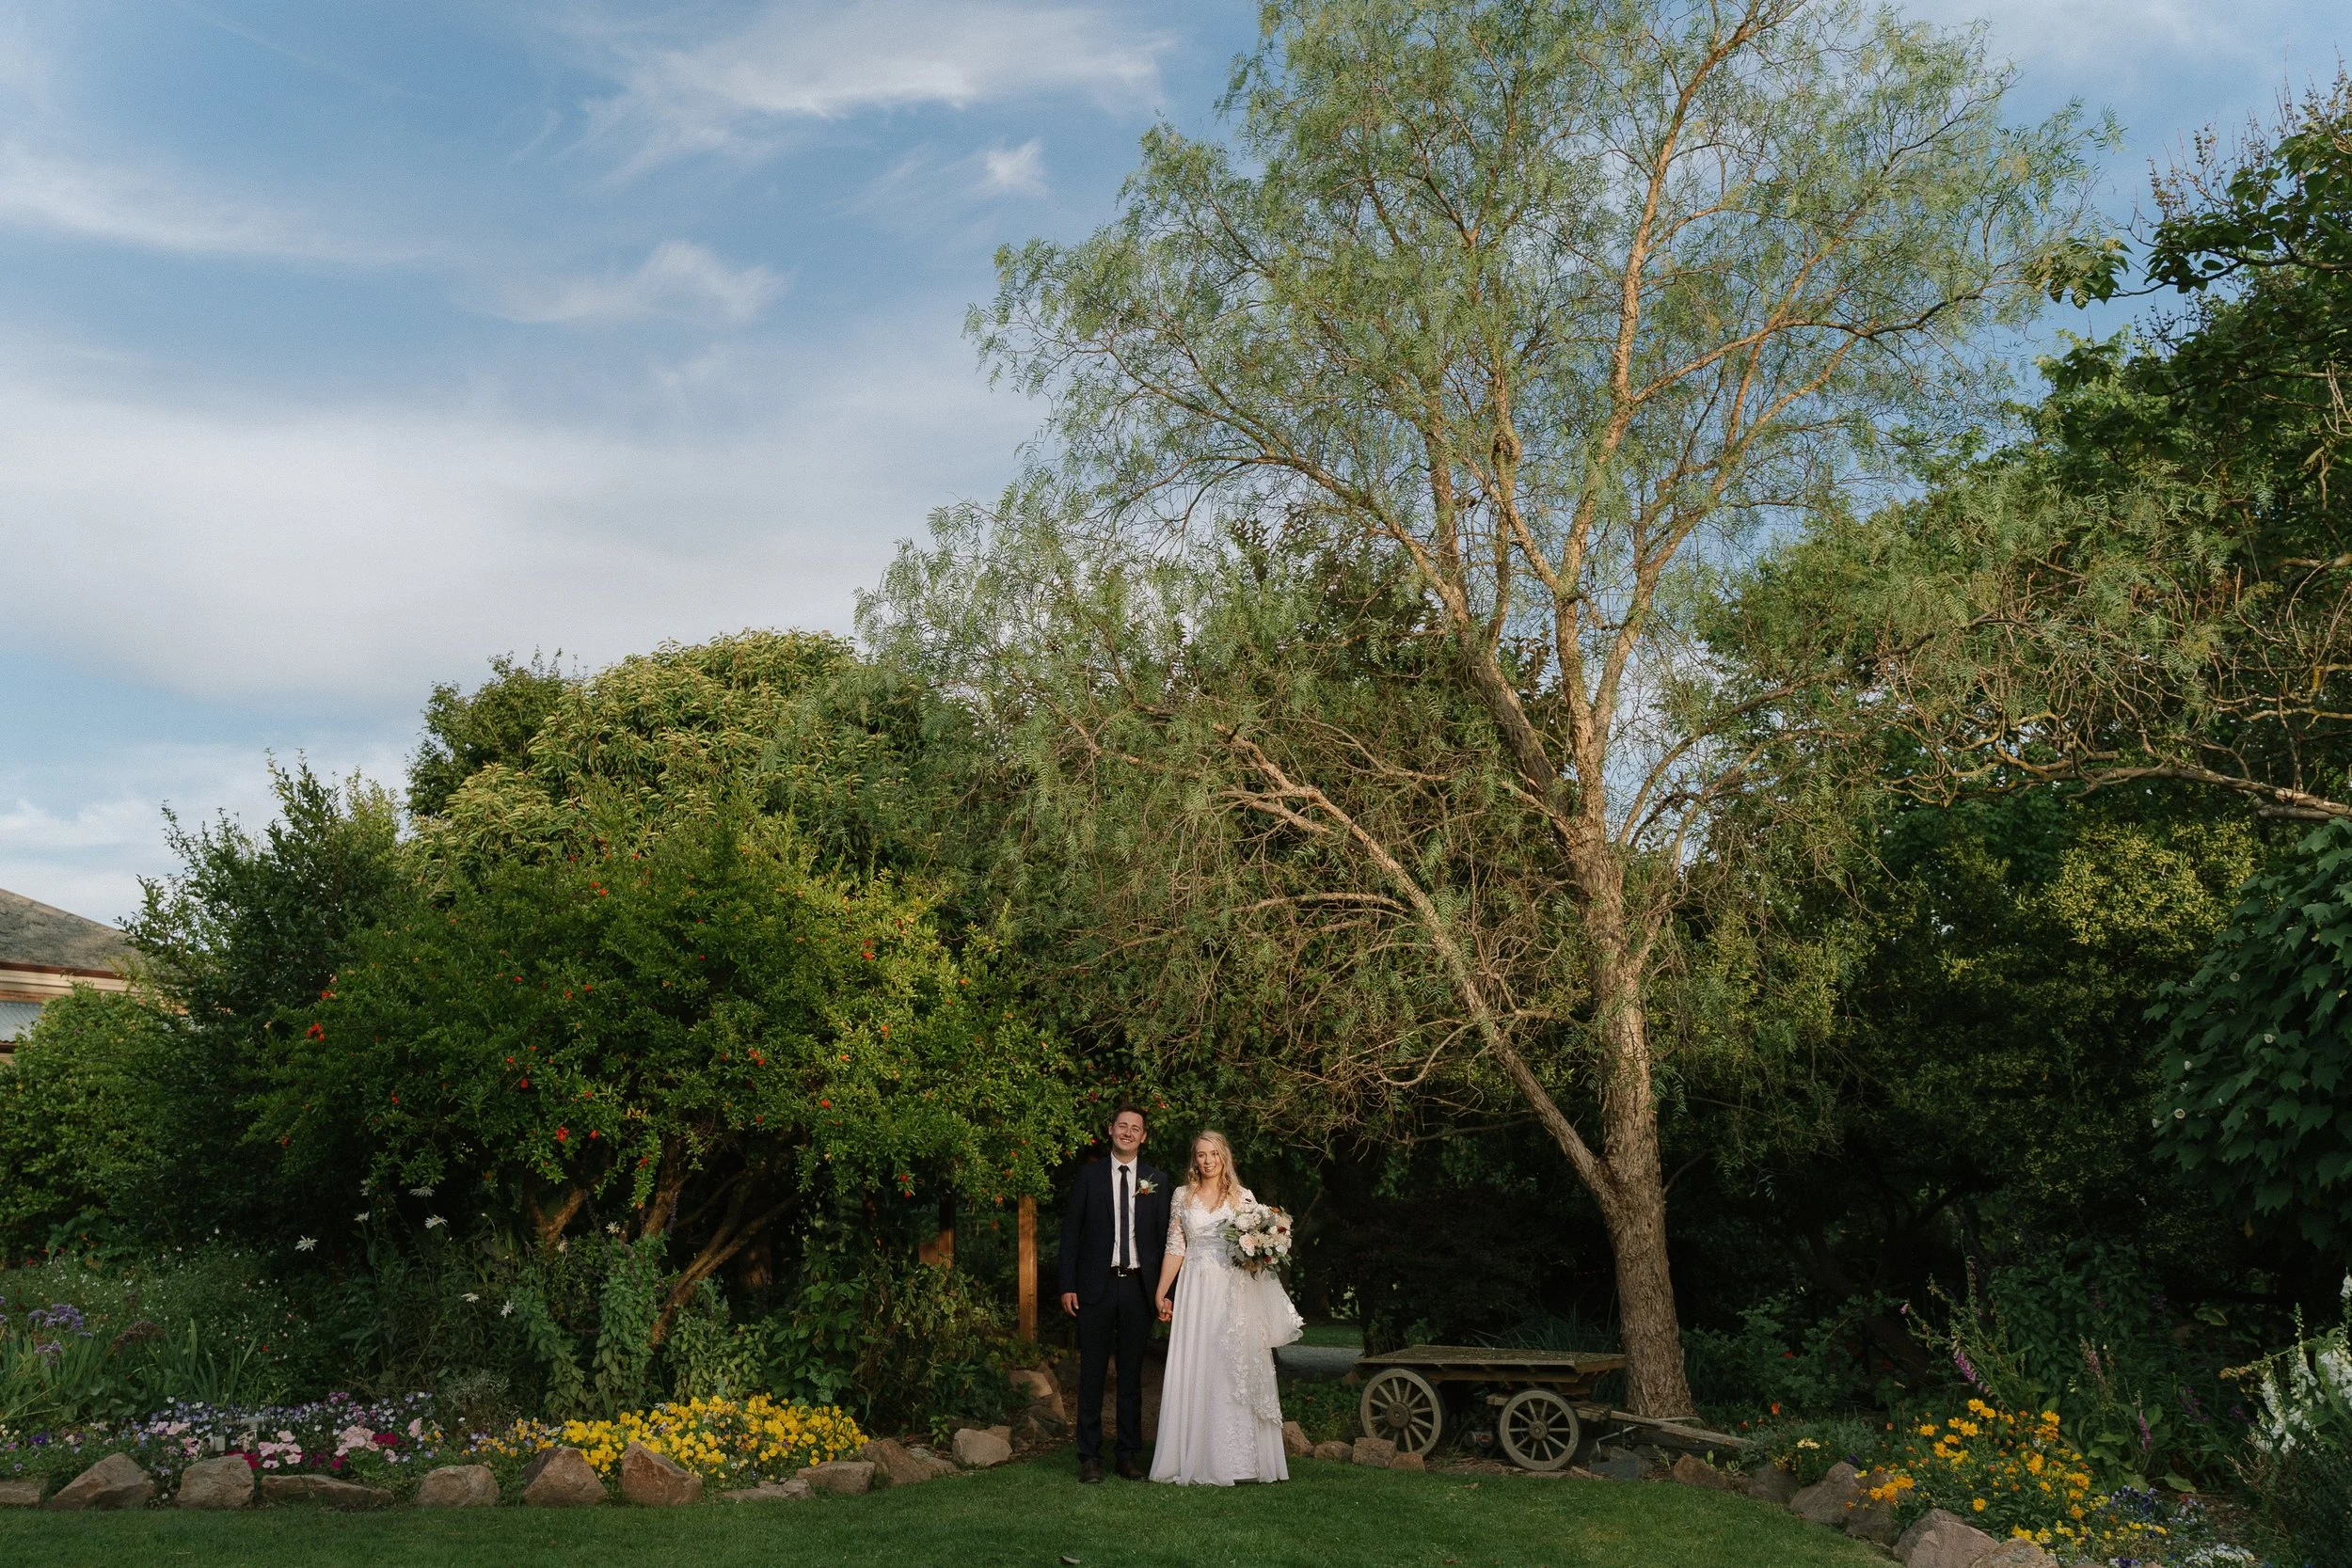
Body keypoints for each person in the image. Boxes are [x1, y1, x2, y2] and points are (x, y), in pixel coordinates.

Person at [1149, 1130, 1301, 1485]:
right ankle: (1194, 1453)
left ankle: (1240, 1461)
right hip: (1195, 1289)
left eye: (1213, 1154)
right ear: (1194, 1159)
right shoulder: (1182, 1196)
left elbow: (1260, 1242)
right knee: (1198, 1364)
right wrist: (1162, 1292)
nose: (1207, 1161)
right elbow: (1176, 1246)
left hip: (1233, 1292)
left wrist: (1261, 1251)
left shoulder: (1243, 1197)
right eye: (1201, 1154)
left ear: (1224, 1157)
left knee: (1231, 1366)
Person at [1057, 1105, 1171, 1483]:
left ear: (1144, 1137)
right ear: (1110, 1130)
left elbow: (1164, 1240)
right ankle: (1089, 1456)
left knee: (1131, 1375)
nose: (1127, 1132)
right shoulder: (1089, 1176)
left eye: (1135, 1128)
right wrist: (1067, 1284)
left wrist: (1163, 1291)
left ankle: (1127, 1455)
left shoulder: (1157, 1180)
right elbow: (1071, 1233)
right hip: (1096, 1287)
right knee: (1091, 1374)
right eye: (1122, 1125)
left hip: (1139, 1288)